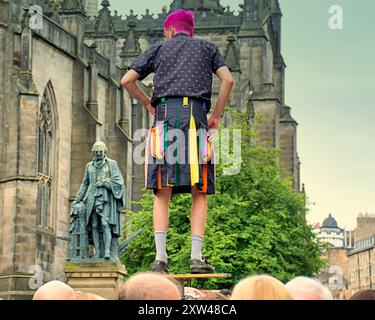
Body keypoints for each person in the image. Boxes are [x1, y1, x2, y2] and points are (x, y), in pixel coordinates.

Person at [121, 9, 234, 274]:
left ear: (170, 30)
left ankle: (160, 259)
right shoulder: (208, 48)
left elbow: (127, 80)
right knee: (199, 190)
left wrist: (148, 103)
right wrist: (216, 116)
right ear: (190, 30)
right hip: (196, 117)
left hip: (165, 118)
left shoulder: (159, 48)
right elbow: (228, 79)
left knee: (162, 191)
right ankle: (196, 258)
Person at [73, 141, 126, 260]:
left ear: (105, 151)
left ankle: (107, 251)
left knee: (105, 224)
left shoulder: (112, 164)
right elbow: (85, 184)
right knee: (94, 225)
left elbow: (119, 182)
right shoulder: (89, 166)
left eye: (100, 152)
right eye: (96, 152)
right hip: (91, 199)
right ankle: (98, 252)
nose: (98, 154)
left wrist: (105, 183)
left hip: (105, 198)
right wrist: (77, 199)